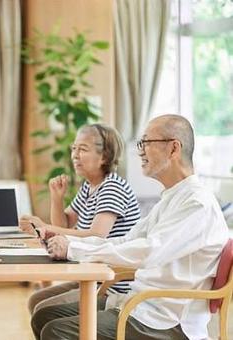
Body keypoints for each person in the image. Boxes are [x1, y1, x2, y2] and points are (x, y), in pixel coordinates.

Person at [31, 114, 229, 340]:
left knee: (56, 331)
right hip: (140, 305)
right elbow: (126, 241)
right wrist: (71, 244)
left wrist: (73, 249)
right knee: (43, 316)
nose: (140, 151)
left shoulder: (197, 203)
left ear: (174, 149)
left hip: (165, 321)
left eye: (146, 143)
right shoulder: (171, 199)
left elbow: (149, 251)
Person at [20, 123, 140, 314]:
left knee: (44, 309)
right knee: (36, 300)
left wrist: (46, 226)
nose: (75, 155)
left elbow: (96, 235)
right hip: (92, 278)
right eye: (74, 148)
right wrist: (57, 199)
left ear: (105, 157)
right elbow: (64, 225)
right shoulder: (89, 187)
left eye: (83, 149)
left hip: (112, 286)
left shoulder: (112, 187)